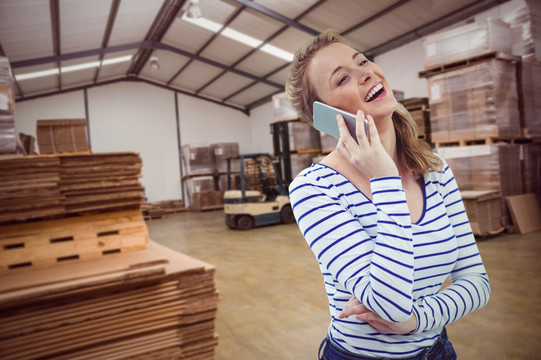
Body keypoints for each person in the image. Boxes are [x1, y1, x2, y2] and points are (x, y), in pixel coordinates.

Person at [286, 29, 490, 360]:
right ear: (325, 115)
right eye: (342, 79)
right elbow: (389, 304)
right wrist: (385, 179)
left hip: (437, 350)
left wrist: (416, 321)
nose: (366, 72)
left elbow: (477, 282)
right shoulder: (314, 188)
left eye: (363, 61)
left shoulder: (434, 170)